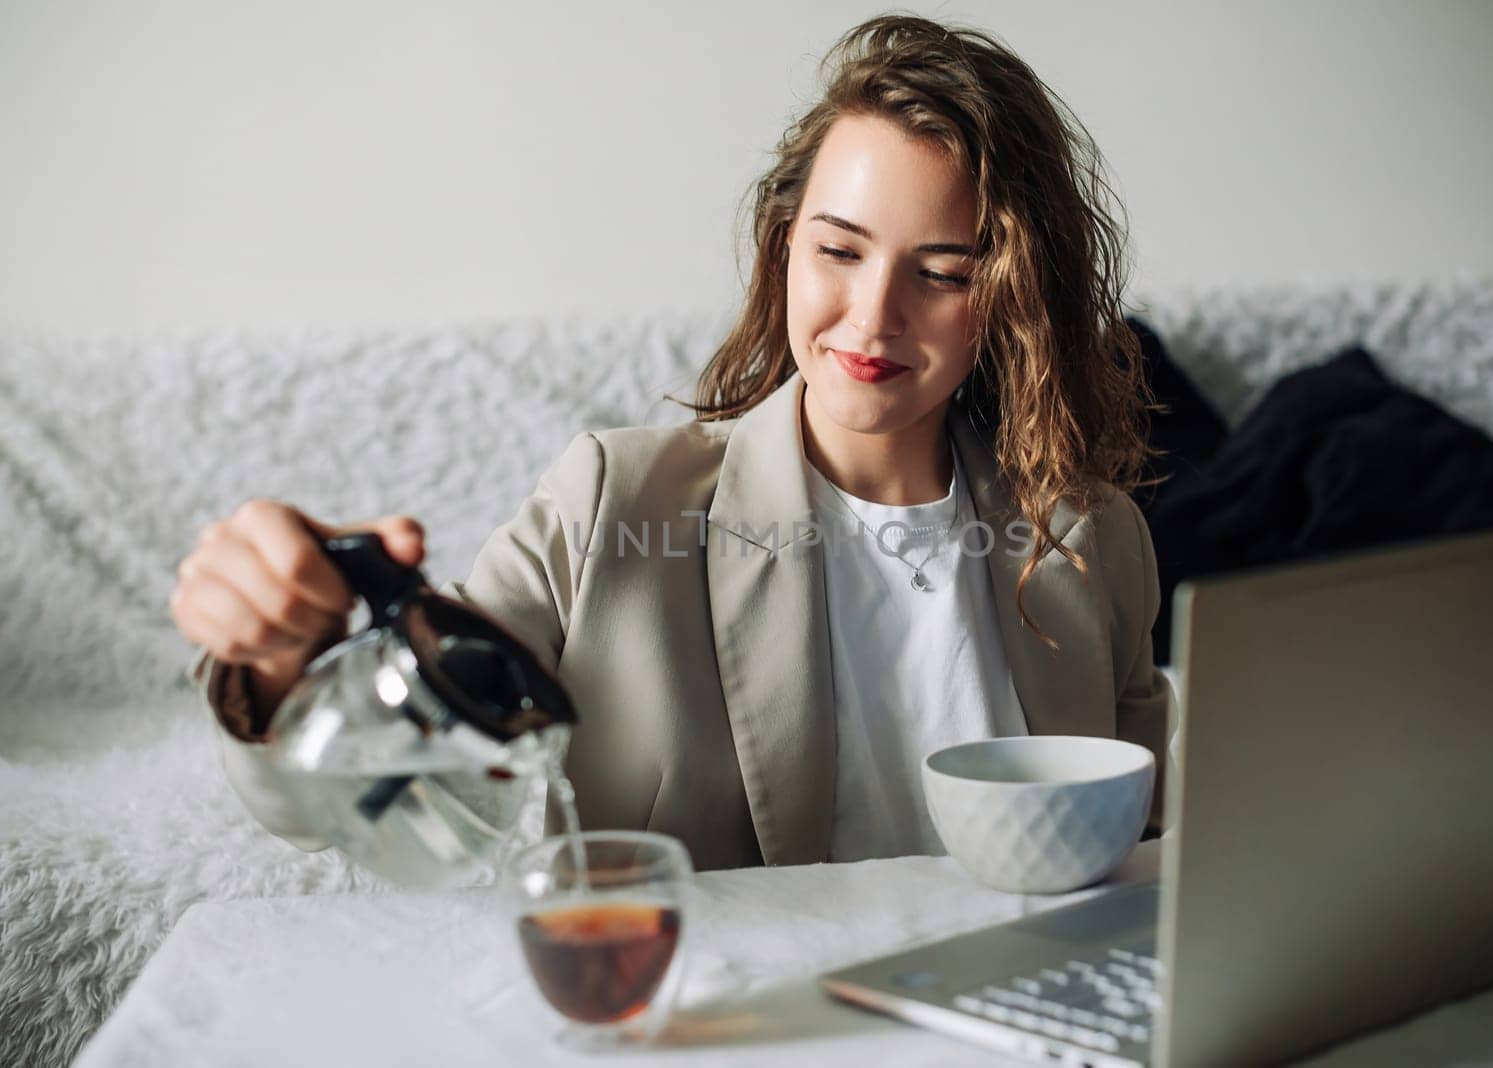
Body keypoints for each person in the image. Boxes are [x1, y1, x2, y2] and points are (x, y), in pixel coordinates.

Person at [170, 14, 1172, 872]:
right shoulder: (613, 502)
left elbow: (1151, 848)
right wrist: (277, 664)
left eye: (942, 274)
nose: (871, 318)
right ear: (783, 244)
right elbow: (373, 794)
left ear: (1008, 302)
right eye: (837, 250)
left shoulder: (1097, 539)